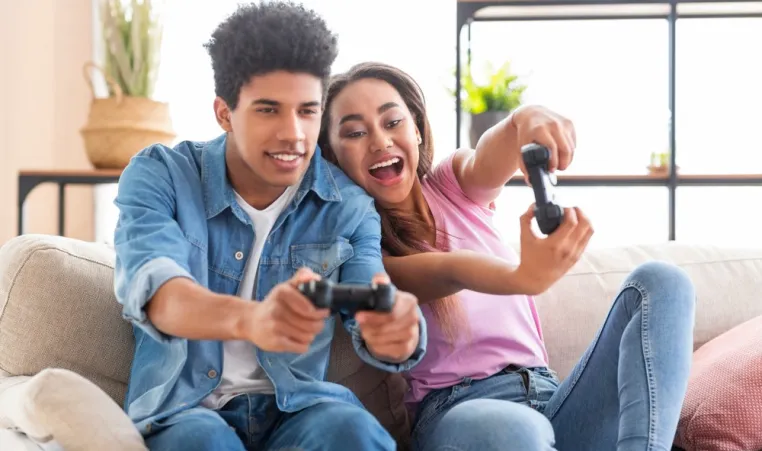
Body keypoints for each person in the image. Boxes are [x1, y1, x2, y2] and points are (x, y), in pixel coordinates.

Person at [318, 61, 696, 451]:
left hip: (555, 403)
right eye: (356, 132)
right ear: (332, 158)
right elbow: (451, 269)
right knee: (514, 429)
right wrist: (520, 276)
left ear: (416, 129)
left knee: (662, 282)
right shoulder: (360, 250)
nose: (380, 141)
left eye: (392, 121)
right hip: (461, 415)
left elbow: (490, 155)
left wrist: (524, 120)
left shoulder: (453, 184)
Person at [112, 6, 427, 451]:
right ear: (224, 112)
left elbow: (369, 301)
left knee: (353, 433)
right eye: (268, 110)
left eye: (307, 111)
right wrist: (253, 319)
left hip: (299, 410)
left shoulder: (349, 205)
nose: (294, 134)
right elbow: (160, 293)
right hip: (186, 412)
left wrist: (396, 332)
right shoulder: (160, 175)